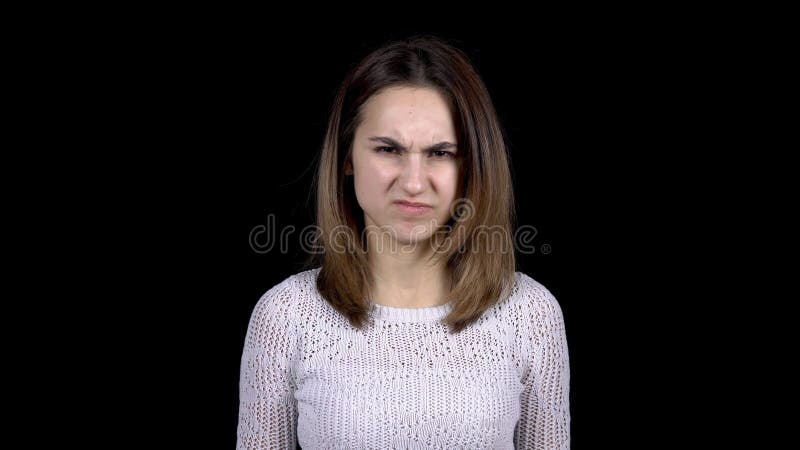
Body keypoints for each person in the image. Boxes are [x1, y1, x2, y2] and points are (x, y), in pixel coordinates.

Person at [236, 34, 570, 449]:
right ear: (347, 157)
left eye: (441, 153)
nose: (413, 183)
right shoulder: (285, 318)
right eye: (388, 149)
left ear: (472, 167)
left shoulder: (530, 316)